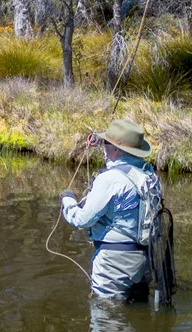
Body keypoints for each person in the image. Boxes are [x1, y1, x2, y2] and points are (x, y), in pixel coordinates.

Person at [60, 119, 161, 302]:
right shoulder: (149, 174)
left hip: (113, 264)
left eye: (106, 143)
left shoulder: (110, 179)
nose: (103, 147)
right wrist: (102, 141)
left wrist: (68, 201)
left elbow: (82, 220)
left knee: (106, 312)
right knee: (138, 309)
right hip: (145, 260)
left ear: (117, 149)